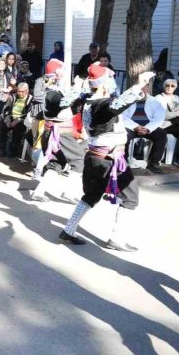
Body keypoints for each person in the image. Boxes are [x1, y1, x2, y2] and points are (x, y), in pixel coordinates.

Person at [59, 67, 145, 251]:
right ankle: (117, 239)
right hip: (109, 159)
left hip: (95, 157)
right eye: (110, 80)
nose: (114, 84)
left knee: (91, 195)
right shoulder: (102, 104)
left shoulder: (86, 100)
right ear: (104, 84)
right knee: (130, 198)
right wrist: (138, 86)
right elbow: (116, 105)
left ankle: (68, 230)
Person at [29, 59, 87, 202]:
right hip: (60, 133)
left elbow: (71, 107)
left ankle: (38, 192)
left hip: (57, 132)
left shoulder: (55, 90)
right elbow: (64, 103)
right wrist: (77, 88)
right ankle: (69, 192)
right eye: (63, 72)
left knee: (57, 164)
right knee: (79, 161)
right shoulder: (52, 92)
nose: (65, 75)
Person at [122, 73, 167, 174]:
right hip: (131, 127)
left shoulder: (155, 101)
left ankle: (153, 163)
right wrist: (136, 126)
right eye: (139, 87)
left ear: (147, 88)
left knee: (161, 134)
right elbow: (122, 116)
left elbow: (159, 118)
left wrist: (148, 128)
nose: (142, 89)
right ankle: (123, 162)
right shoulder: (127, 100)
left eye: (144, 87)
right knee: (123, 135)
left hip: (148, 127)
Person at [0, 82, 33, 158]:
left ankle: (13, 149)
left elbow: (29, 113)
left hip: (22, 120)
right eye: (18, 91)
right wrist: (8, 120)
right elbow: (6, 110)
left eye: (22, 91)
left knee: (18, 129)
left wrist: (18, 120)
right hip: (11, 117)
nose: (20, 93)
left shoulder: (31, 99)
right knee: (3, 126)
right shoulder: (12, 97)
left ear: (27, 91)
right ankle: (2, 148)